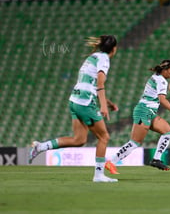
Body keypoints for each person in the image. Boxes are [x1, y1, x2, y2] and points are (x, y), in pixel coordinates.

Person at [28, 35, 119, 183]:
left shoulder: (92, 57)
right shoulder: (104, 59)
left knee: (79, 139)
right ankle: (98, 175)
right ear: (114, 49)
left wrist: (107, 102)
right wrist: (103, 105)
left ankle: (41, 146)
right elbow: (100, 82)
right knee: (104, 137)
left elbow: (88, 83)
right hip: (85, 102)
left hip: (75, 100)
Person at [105, 60, 170, 174]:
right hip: (143, 111)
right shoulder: (161, 81)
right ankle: (111, 162)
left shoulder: (157, 76)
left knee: (168, 132)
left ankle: (156, 159)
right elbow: (162, 100)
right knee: (135, 142)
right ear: (164, 70)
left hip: (150, 112)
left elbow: (166, 72)